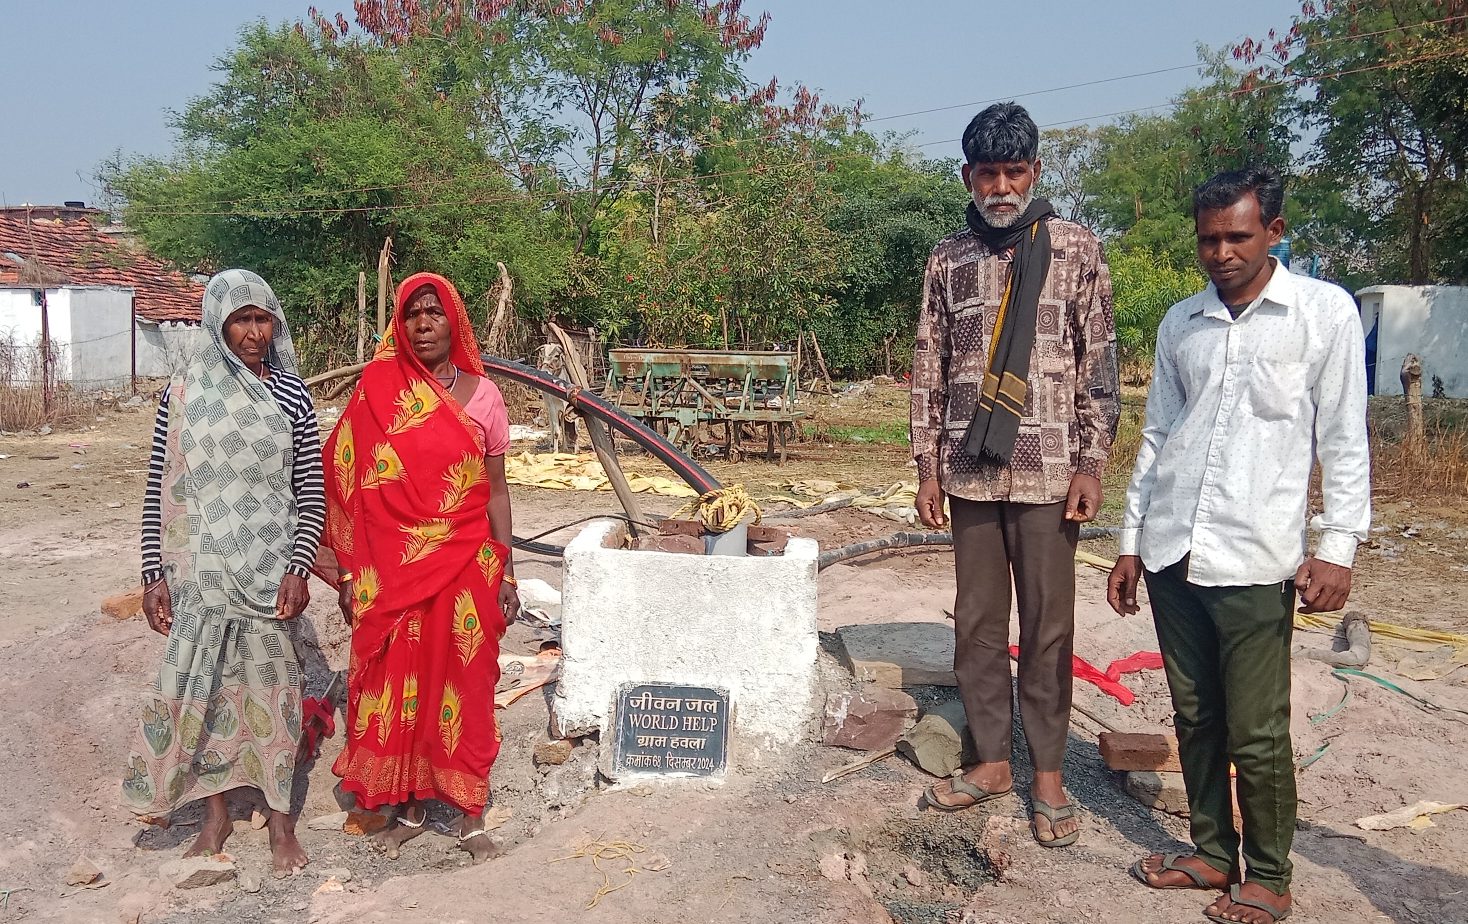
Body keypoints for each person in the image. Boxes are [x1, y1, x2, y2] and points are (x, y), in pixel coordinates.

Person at [1109, 166, 1370, 924]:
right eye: (1207, 239)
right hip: (1173, 551)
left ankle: (1270, 876)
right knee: (1195, 718)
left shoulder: (1322, 314)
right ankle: (1211, 853)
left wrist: (1339, 546)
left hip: (1256, 557)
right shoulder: (1182, 322)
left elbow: (1343, 438)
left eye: (1237, 237)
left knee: (1255, 730)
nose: (1220, 253)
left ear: (1274, 233)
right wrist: (1130, 542)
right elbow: (1157, 436)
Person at [910, 102, 1119, 847]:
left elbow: (1099, 363)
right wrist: (927, 466)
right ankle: (994, 761)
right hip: (968, 470)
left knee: (1048, 626)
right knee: (977, 623)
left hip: (1050, 471)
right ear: (968, 175)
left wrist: (1093, 461)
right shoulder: (948, 257)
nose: (1001, 187)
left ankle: (1049, 774)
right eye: (988, 173)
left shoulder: (1076, 248)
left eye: (1014, 172)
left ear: (1034, 171)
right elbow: (929, 364)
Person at [124, 269, 325, 876]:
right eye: (241, 320)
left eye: (263, 319)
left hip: (268, 570)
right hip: (201, 573)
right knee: (208, 694)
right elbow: (160, 488)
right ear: (218, 324)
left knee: (276, 694)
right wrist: (153, 574)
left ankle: (281, 820)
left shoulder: (292, 395)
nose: (254, 333)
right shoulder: (182, 394)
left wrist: (299, 565)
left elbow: (311, 491)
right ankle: (215, 817)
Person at [323, 272, 520, 863]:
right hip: (396, 574)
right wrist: (351, 571)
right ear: (399, 325)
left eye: (434, 312)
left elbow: (497, 493)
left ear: (454, 321)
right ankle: (408, 806)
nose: (424, 324)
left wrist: (507, 572)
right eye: (412, 314)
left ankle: (470, 815)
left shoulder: (484, 396)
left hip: (466, 566)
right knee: (402, 685)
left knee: (466, 685)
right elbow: (346, 476)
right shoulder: (378, 391)